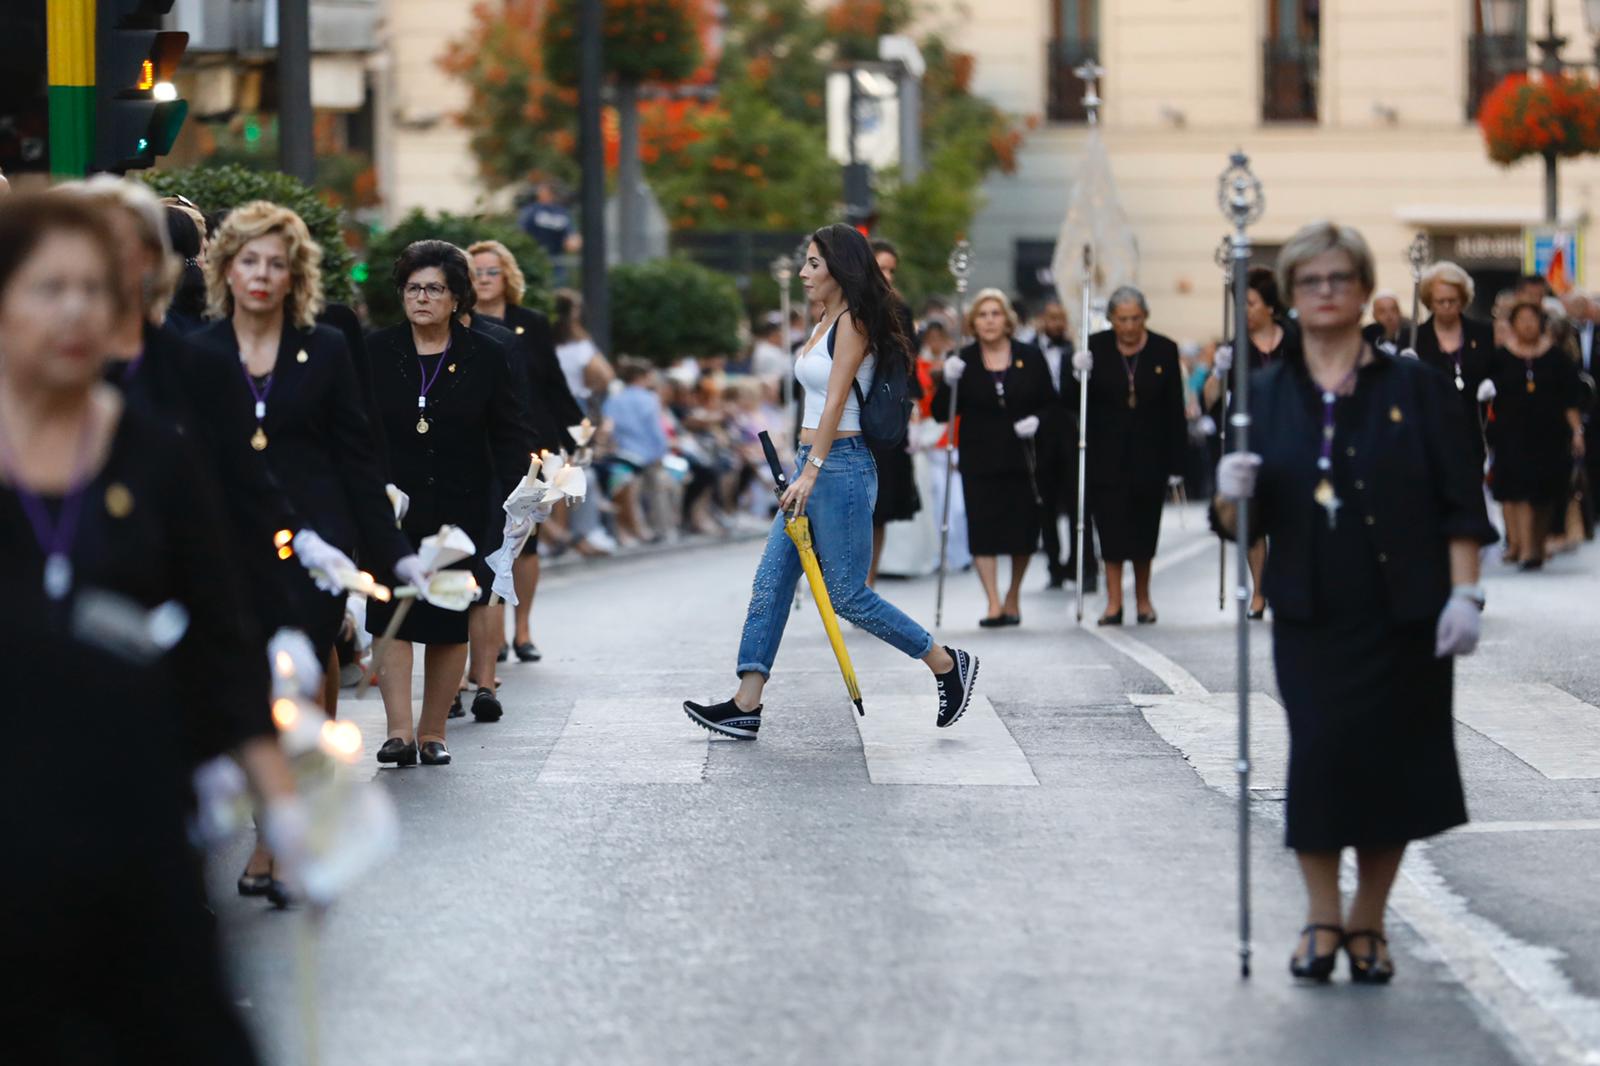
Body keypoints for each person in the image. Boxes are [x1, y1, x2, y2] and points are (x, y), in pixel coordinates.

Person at [0, 191, 287, 1064]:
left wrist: (282, 796)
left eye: (95, 289)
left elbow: (219, 634)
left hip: (133, 812)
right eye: (50, 288)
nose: (78, 310)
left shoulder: (156, 455)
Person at [1213, 220, 1495, 985]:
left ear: (1366, 290)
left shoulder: (1416, 386)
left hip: (1405, 607)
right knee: (1322, 759)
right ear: (1292, 296)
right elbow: (1241, 523)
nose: (1326, 292)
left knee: (1394, 768)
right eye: (1311, 281)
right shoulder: (1263, 395)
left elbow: (1458, 499)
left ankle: (1369, 920)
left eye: (1340, 279)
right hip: (1311, 608)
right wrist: (1231, 494)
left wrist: (1465, 591)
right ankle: (1320, 915)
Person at [683, 223, 978, 737]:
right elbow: (813, 398)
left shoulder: (857, 321)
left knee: (847, 595)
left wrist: (812, 472)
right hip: (810, 461)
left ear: (840, 268)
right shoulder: (822, 318)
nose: (802, 273)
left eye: (813, 264)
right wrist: (799, 461)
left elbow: (838, 398)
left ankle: (946, 663)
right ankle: (745, 703)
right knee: (772, 583)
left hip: (838, 467)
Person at [190, 200, 419, 674]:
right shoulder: (198, 351)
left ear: (294, 277)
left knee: (299, 672)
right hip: (228, 544)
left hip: (316, 543)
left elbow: (357, 457)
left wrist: (394, 554)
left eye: (277, 265)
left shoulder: (324, 348)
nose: (262, 275)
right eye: (249, 261)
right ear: (227, 269)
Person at [365, 241, 533, 765]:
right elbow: (354, 428)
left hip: (463, 508)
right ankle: (397, 731)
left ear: (457, 297)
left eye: (434, 288)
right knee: (388, 611)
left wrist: (513, 507)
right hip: (392, 506)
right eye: (413, 288)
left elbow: (510, 434)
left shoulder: (485, 354)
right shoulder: (374, 351)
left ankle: (432, 730)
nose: (422, 298)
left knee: (447, 614)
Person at [468, 239, 580, 662]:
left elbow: (553, 383)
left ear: (507, 276)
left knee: (526, 542)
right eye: (476, 271)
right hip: (484, 445)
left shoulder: (530, 323)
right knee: (491, 538)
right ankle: (489, 635)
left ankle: (523, 628)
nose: (483, 279)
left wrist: (577, 441)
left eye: (491, 271)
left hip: (534, 444)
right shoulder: (460, 322)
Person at [932, 288, 1054, 625]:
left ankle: (1013, 596)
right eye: (982, 315)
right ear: (973, 322)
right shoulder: (964, 359)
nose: (989, 320)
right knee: (983, 529)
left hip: (1021, 457)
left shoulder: (1029, 356)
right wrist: (947, 379)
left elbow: (1050, 402)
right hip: (979, 456)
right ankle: (993, 602)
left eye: (995, 314)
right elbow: (942, 411)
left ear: (1007, 320)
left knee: (1023, 531)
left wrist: (1038, 421)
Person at [1070, 285, 1186, 625]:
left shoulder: (1165, 349)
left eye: (1136, 318)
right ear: (1111, 321)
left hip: (1151, 454)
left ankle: (1144, 600)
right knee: (1110, 530)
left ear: (1145, 317)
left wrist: (1177, 462)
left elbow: (1174, 409)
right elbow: (1072, 401)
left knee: (1144, 530)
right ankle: (1114, 602)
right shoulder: (1096, 348)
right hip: (1106, 455)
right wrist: (1077, 373)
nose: (1130, 326)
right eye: (1122, 319)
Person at [1208, 267, 1300, 618]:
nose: (1244, 311)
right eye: (1240, 304)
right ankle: (1259, 591)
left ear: (1270, 307)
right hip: (1248, 435)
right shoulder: (1235, 348)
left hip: (1289, 432)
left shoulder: (1295, 342)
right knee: (1252, 512)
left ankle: (1285, 584)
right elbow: (1211, 400)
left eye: (1251, 303)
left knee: (1289, 513)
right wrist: (1218, 372)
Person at [1485, 300, 1584, 569]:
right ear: (1513, 324)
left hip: (1549, 435)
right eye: (1522, 319)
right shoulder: (1500, 357)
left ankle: (1537, 544)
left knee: (1545, 492)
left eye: (1533, 319)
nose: (1528, 325)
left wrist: (1577, 431)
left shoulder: (1557, 358)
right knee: (1518, 489)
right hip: (1511, 433)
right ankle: (1524, 546)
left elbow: (1570, 399)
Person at [866, 238, 922, 584]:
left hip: (882, 415)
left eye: (891, 269)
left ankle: (868, 580)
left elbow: (907, 368)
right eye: (880, 267)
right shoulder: (840, 306)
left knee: (880, 507)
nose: (886, 276)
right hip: (845, 415)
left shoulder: (899, 311)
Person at [1034, 299, 1095, 589]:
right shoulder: (1032, 351)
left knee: (1078, 502)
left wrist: (1080, 374)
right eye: (1051, 318)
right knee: (1045, 503)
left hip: (1071, 434)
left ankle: (1081, 564)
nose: (1056, 324)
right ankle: (1053, 564)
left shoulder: (1076, 353)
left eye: (1061, 318)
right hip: (1040, 436)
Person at [1413, 261, 1494, 476]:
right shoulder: (1414, 338)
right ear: (1430, 302)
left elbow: (1495, 371)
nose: (1447, 306)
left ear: (1463, 300)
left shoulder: (1483, 333)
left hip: (1471, 431)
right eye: (1440, 301)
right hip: (1429, 433)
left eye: (1453, 301)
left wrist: (1491, 384)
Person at [603, 357, 670, 543]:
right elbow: (655, 429)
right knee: (656, 492)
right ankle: (660, 528)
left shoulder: (615, 399)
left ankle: (638, 530)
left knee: (634, 495)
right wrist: (661, 451)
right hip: (648, 453)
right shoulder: (650, 399)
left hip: (625, 453)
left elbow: (609, 427)